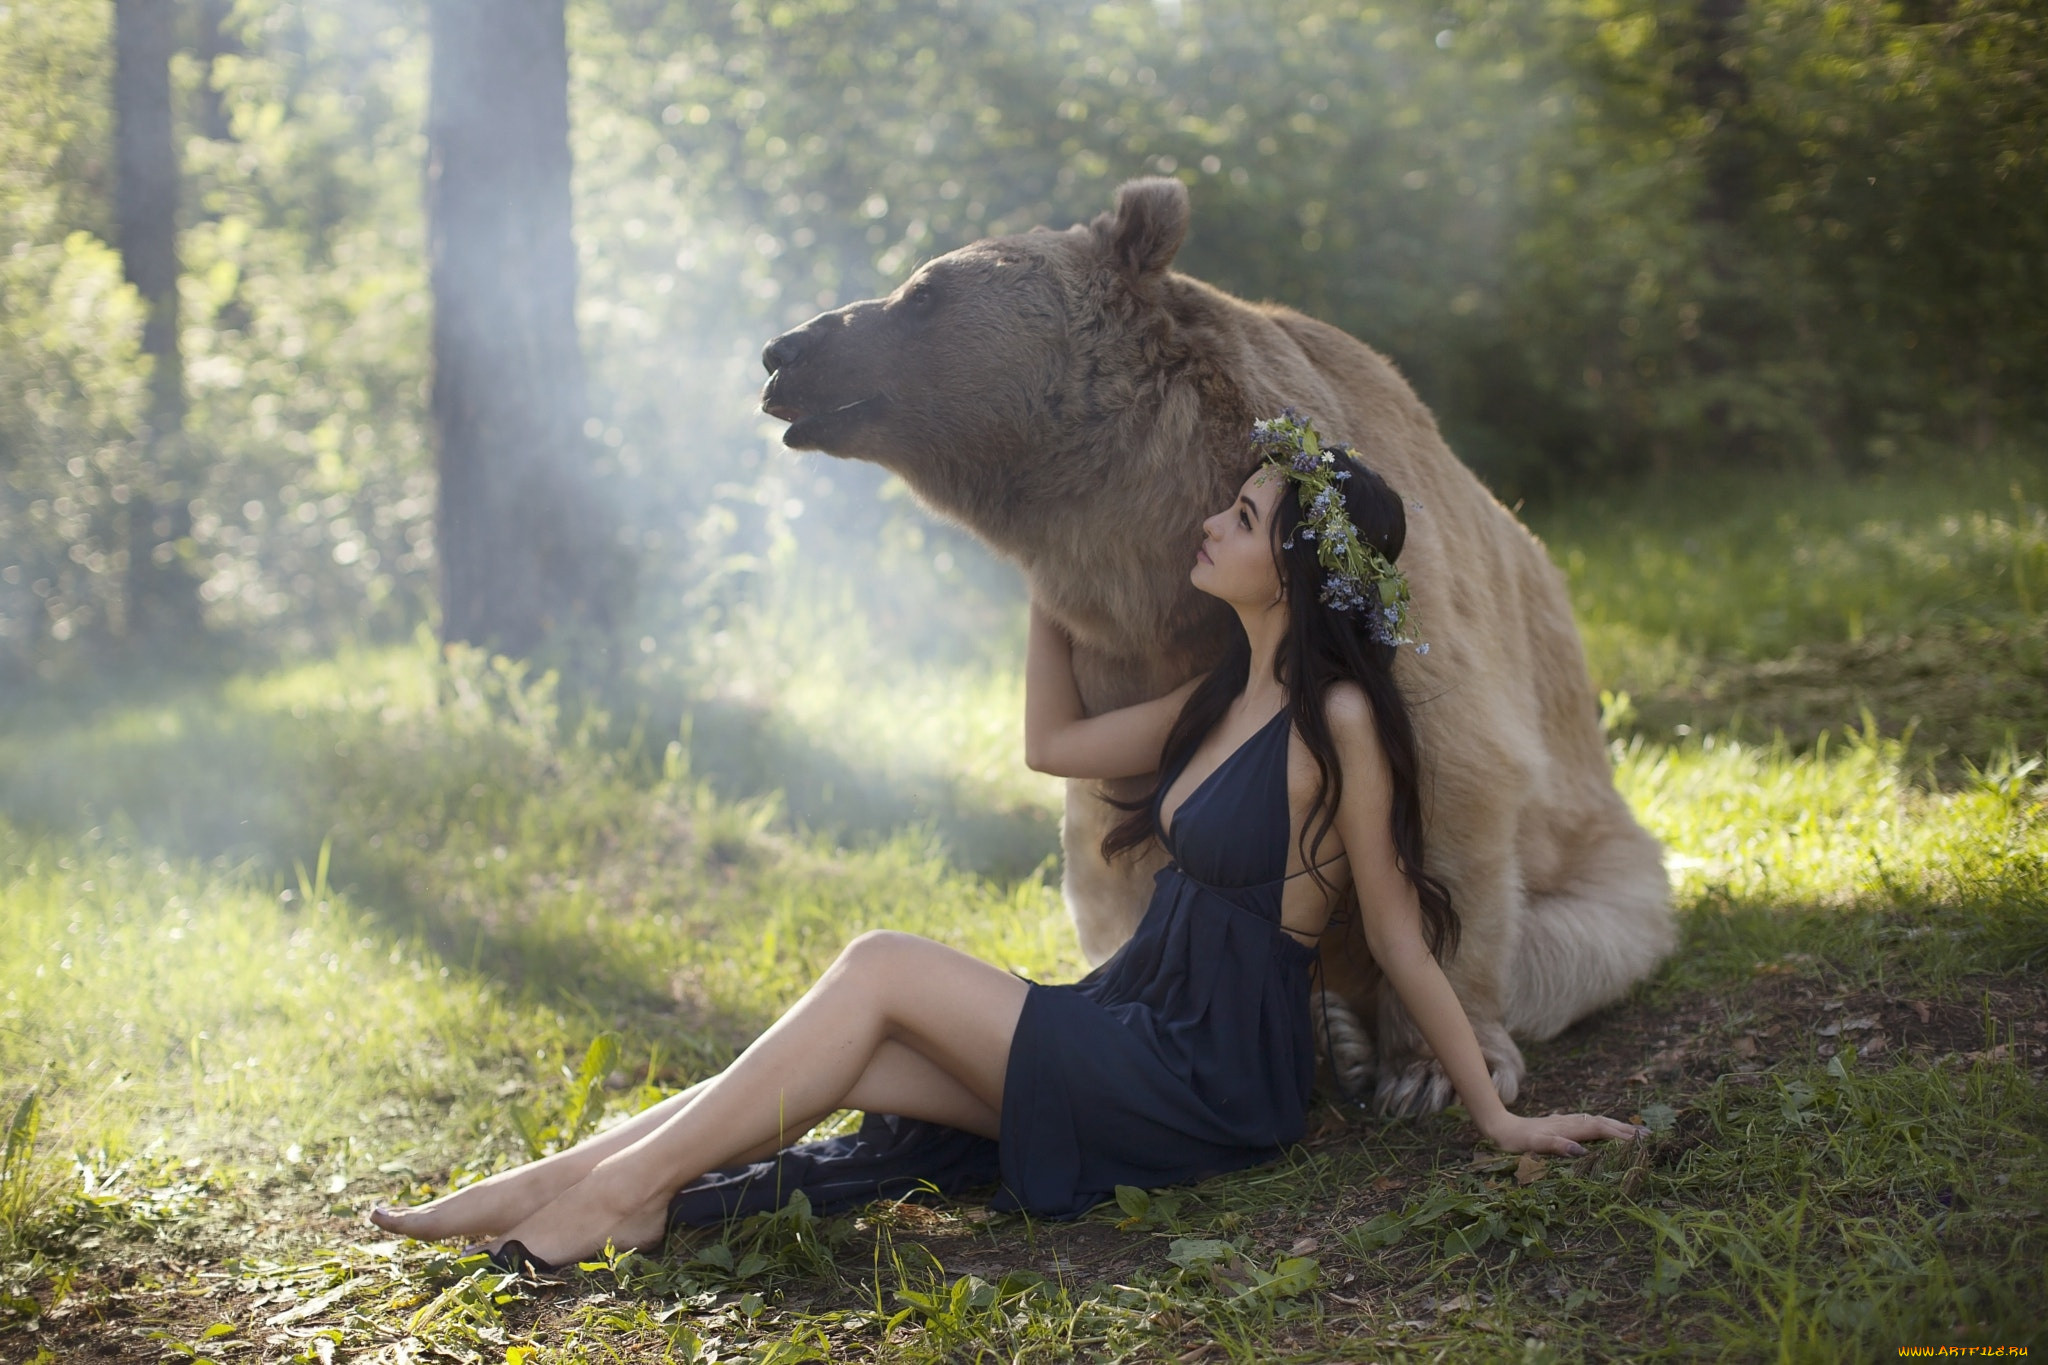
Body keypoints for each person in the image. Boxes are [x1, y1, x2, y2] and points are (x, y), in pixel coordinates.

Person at [368, 412, 1647, 1274]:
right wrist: (1044, 581)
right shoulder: (1216, 699)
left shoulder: (1339, 720)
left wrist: (1494, 1110)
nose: (1212, 524)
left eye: (1244, 520)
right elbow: (1051, 746)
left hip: (1206, 1077)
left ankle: (607, 1204)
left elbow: (1390, 924)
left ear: (1298, 569)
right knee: (847, 1057)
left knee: (876, 968)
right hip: (1133, 1026)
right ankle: (534, 1193)